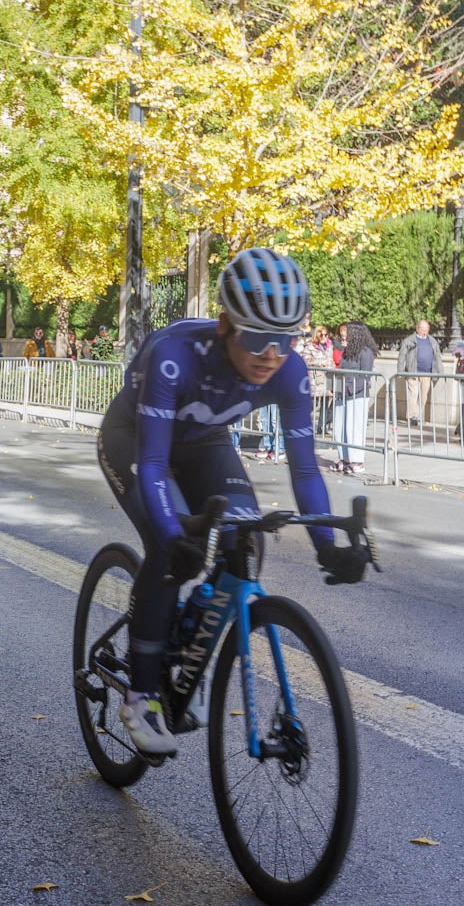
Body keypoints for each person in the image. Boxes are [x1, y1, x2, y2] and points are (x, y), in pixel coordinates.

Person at [96, 247, 367, 756]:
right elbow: (153, 466)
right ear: (225, 325)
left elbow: (305, 469)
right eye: (259, 338)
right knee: (170, 550)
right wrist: (176, 539)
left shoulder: (288, 372)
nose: (272, 354)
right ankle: (141, 693)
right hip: (135, 440)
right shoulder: (174, 356)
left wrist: (326, 545)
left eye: (285, 340)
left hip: (203, 441)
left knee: (246, 545)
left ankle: (191, 640)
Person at [333, 322, 377, 473]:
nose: (345, 335)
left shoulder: (366, 352)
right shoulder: (348, 350)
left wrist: (351, 388)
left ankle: (357, 460)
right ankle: (344, 458)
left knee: (355, 428)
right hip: (342, 393)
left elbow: (365, 375)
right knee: (341, 428)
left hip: (356, 394)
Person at [395, 319, 441, 426]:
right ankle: (412, 416)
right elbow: (402, 356)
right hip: (413, 371)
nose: (425, 332)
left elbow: (437, 357)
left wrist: (439, 372)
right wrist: (400, 371)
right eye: (423, 329)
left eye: (427, 329)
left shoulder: (432, 341)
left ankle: (418, 415)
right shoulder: (409, 340)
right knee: (413, 394)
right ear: (417, 329)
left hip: (427, 372)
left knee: (424, 395)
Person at [302, 323, 336, 434]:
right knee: (312, 404)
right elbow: (305, 360)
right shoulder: (310, 346)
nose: (324, 337)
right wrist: (319, 363)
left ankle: (322, 427)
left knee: (326, 404)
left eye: (326, 335)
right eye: (321, 335)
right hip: (315, 379)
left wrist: (331, 367)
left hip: (327, 378)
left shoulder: (330, 346)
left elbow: (331, 360)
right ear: (317, 335)